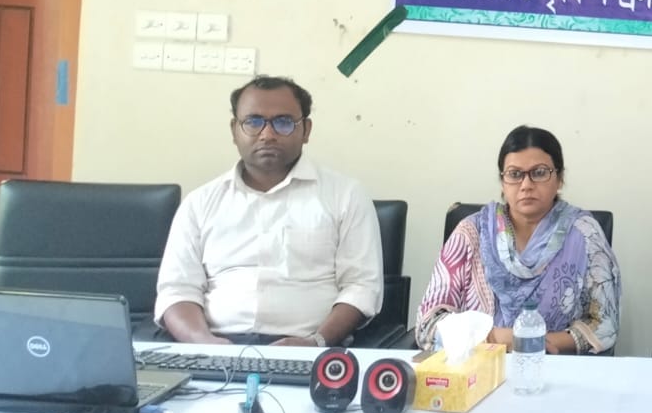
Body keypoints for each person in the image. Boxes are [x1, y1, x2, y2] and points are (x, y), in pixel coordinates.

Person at [154, 76, 383, 346]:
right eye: (253, 122)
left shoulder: (345, 196)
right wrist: (203, 342)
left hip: (309, 350)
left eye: (283, 122)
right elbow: (177, 291)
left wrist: (316, 342)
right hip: (215, 347)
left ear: (306, 130)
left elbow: (361, 286)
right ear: (234, 130)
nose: (267, 135)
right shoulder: (199, 203)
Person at [415, 125, 620, 354]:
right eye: (515, 174)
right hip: (476, 365)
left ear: (560, 179)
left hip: (557, 363)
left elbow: (604, 323)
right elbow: (429, 324)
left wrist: (544, 343)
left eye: (539, 172)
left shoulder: (584, 235)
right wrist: (499, 339)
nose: (526, 185)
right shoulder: (471, 233)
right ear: (503, 183)